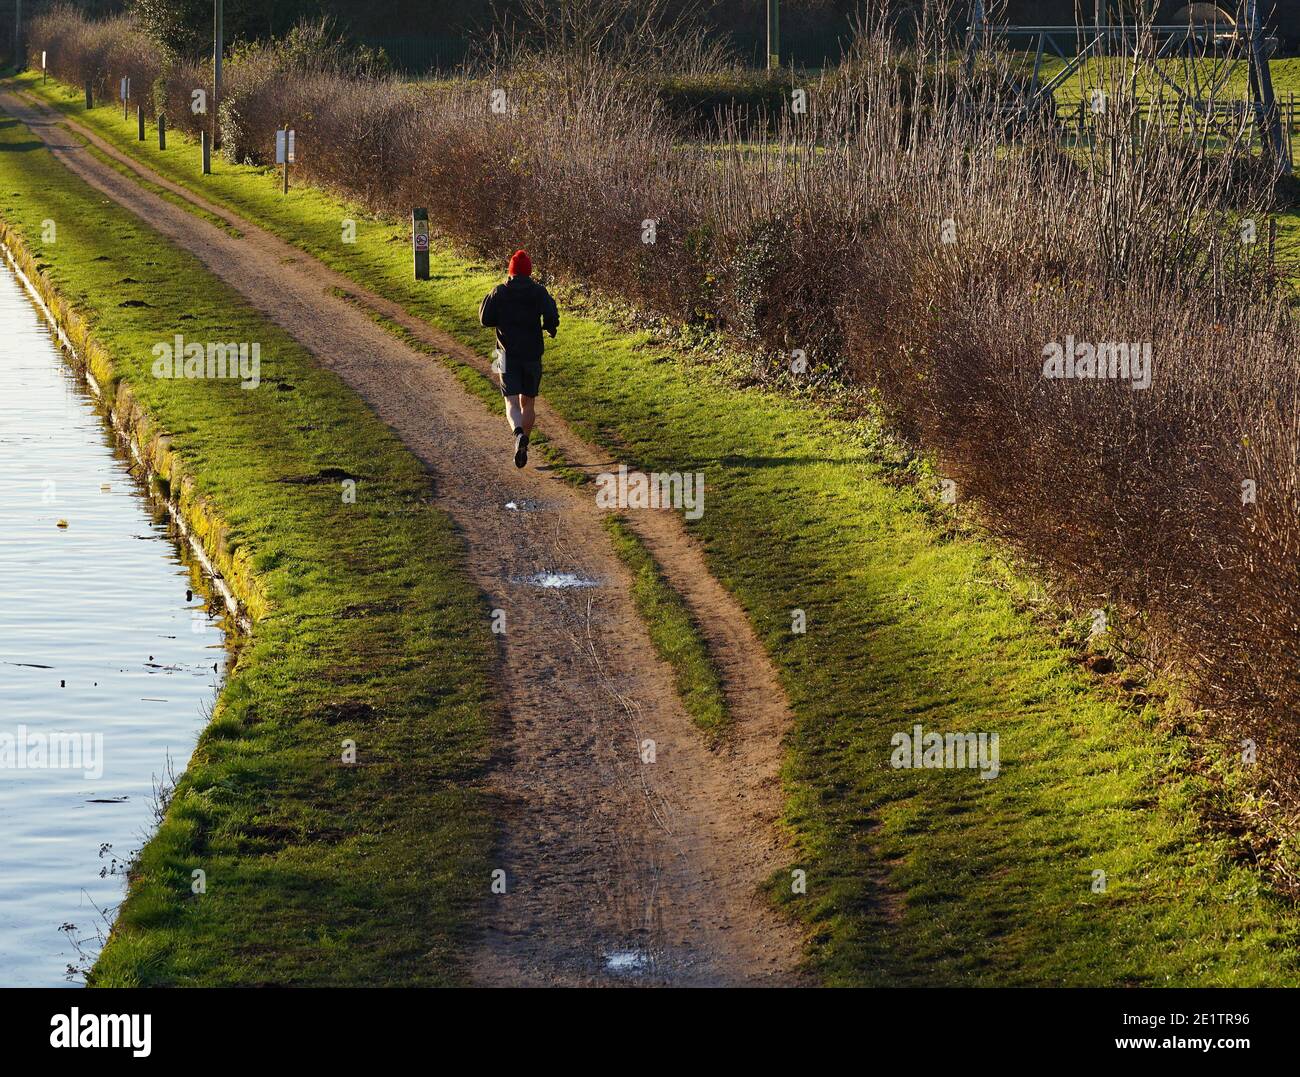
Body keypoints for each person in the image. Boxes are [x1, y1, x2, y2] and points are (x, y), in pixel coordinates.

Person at [478, 249, 559, 468]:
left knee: (510, 401)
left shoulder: (499, 292)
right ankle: (525, 443)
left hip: (503, 353)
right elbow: (552, 315)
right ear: (529, 272)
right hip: (532, 353)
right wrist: (550, 327)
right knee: (528, 402)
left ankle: (517, 435)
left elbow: (484, 319)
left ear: (511, 271)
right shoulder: (539, 292)